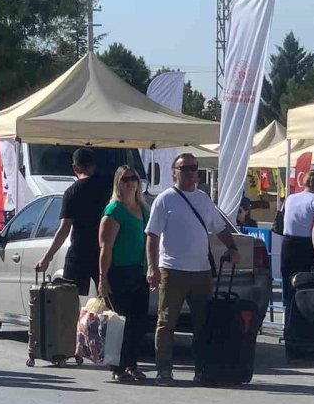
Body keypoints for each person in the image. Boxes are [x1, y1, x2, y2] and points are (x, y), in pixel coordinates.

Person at [145, 153, 240, 387]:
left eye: (193, 168)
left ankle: (203, 369)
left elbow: (219, 227)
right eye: (184, 168)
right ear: (174, 172)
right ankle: (164, 370)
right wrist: (152, 267)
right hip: (172, 269)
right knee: (166, 322)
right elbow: (152, 236)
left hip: (201, 271)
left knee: (203, 323)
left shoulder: (204, 199)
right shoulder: (165, 200)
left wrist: (232, 246)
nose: (189, 173)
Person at [98, 165, 149, 383]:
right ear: (118, 183)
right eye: (125, 179)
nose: (130, 183)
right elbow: (105, 248)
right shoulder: (114, 210)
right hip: (118, 272)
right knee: (120, 323)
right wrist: (103, 277)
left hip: (139, 271)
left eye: (134, 179)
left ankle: (131, 364)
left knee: (138, 322)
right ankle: (117, 366)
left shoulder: (143, 208)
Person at [36, 148, 112, 294]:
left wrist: (47, 258)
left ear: (75, 167)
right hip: (105, 249)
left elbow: (64, 229)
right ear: (94, 165)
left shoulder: (72, 192)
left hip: (79, 252)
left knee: (69, 299)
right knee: (106, 299)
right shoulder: (108, 188)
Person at [280, 169, 314, 306]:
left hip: (288, 244)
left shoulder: (290, 198)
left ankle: (288, 318)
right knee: (311, 287)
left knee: (289, 284)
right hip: (307, 245)